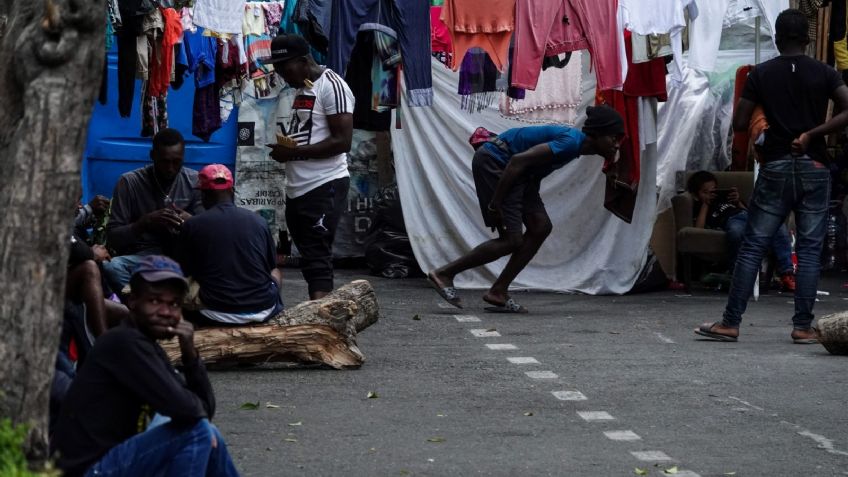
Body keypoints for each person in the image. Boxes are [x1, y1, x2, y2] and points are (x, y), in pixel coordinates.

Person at [695, 9, 848, 343]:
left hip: (777, 166)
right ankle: (803, 327)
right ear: (808, 40)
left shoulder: (761, 74)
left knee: (753, 246)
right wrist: (812, 134)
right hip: (815, 167)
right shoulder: (825, 72)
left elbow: (739, 123)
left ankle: (731, 323)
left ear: (777, 39)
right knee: (808, 251)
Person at [52, 255, 239, 477]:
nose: (165, 311)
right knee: (197, 433)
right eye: (154, 301)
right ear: (132, 302)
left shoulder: (146, 345)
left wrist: (190, 354)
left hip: (112, 461)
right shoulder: (125, 343)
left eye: (174, 304)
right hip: (88, 470)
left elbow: (202, 412)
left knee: (208, 432)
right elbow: (192, 413)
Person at [428, 106, 625, 313]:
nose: (616, 144)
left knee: (540, 227)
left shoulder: (575, 146)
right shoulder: (571, 142)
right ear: (597, 134)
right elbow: (517, 161)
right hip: (497, 162)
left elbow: (532, 167)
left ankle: (498, 291)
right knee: (511, 240)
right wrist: (496, 204)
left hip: (520, 175)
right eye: (613, 138)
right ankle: (445, 273)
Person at [263, 34, 354, 300]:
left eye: (284, 67)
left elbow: (343, 141)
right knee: (308, 255)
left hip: (324, 183)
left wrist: (293, 152)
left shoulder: (332, 86)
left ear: (304, 61)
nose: (281, 74)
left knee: (317, 255)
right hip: (298, 187)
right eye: (277, 69)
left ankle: (322, 321)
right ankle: (319, 313)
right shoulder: (302, 88)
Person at [176, 164, 284, 325]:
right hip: (264, 310)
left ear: (203, 195)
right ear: (232, 191)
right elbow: (269, 267)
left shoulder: (193, 225)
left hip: (215, 313)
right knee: (276, 271)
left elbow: (184, 270)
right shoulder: (259, 221)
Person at [103, 128, 202, 293]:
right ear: (152, 156)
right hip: (144, 255)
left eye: (176, 161)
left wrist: (189, 221)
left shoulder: (194, 181)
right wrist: (145, 223)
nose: (170, 168)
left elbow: (208, 231)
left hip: (182, 255)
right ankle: (141, 305)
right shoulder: (129, 182)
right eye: (164, 161)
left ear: (183, 157)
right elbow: (113, 238)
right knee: (113, 267)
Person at [686, 171, 796, 292]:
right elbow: (698, 229)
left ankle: (787, 273)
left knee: (777, 226)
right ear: (696, 195)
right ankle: (738, 275)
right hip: (732, 220)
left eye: (714, 190)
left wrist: (737, 201)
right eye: (706, 192)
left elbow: (747, 211)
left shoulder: (726, 200)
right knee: (736, 232)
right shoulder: (700, 206)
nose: (711, 195)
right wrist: (705, 204)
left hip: (746, 215)